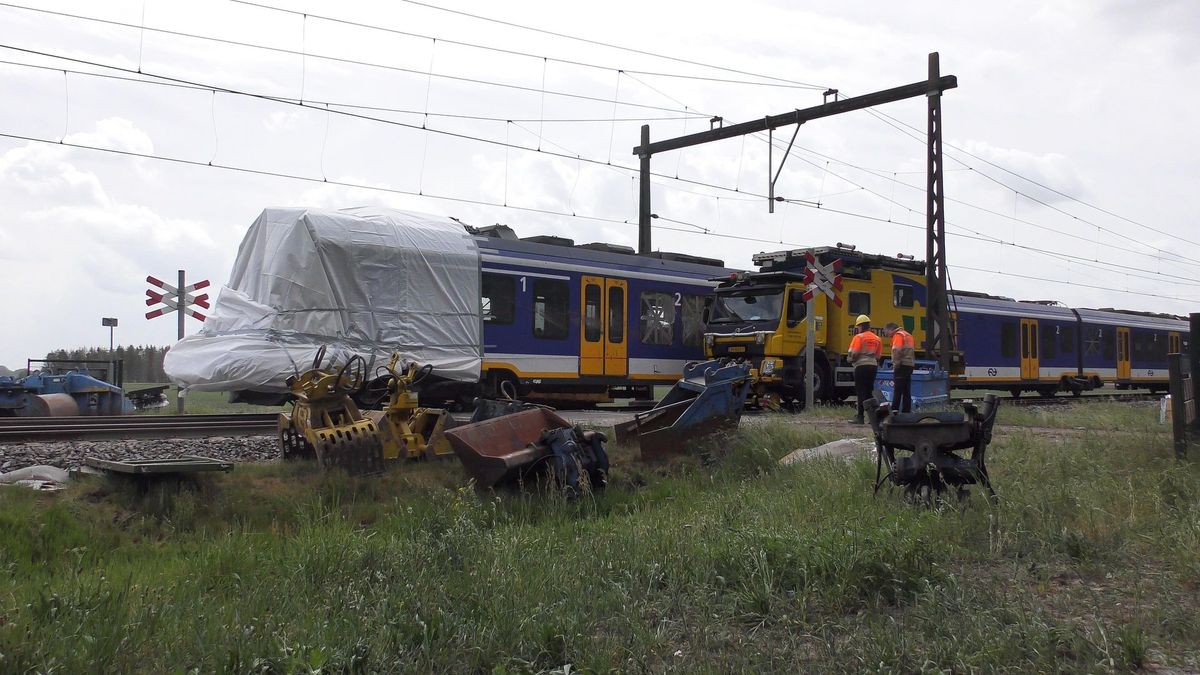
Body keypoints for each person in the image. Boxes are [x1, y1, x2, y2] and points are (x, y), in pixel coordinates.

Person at [848, 314, 882, 424]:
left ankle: (860, 417)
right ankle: (874, 417)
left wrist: (851, 359)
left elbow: (854, 353)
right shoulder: (877, 338)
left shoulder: (859, 337)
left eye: (857, 326)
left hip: (861, 366)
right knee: (868, 391)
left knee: (860, 391)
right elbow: (878, 356)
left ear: (860, 326)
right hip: (873, 366)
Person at [884, 322, 916, 413]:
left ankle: (894, 411)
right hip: (909, 365)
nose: (887, 335)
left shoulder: (898, 335)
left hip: (901, 365)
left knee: (897, 390)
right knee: (906, 391)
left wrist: (896, 365)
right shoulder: (908, 335)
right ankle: (906, 412)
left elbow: (896, 350)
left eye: (887, 333)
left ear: (891, 329)